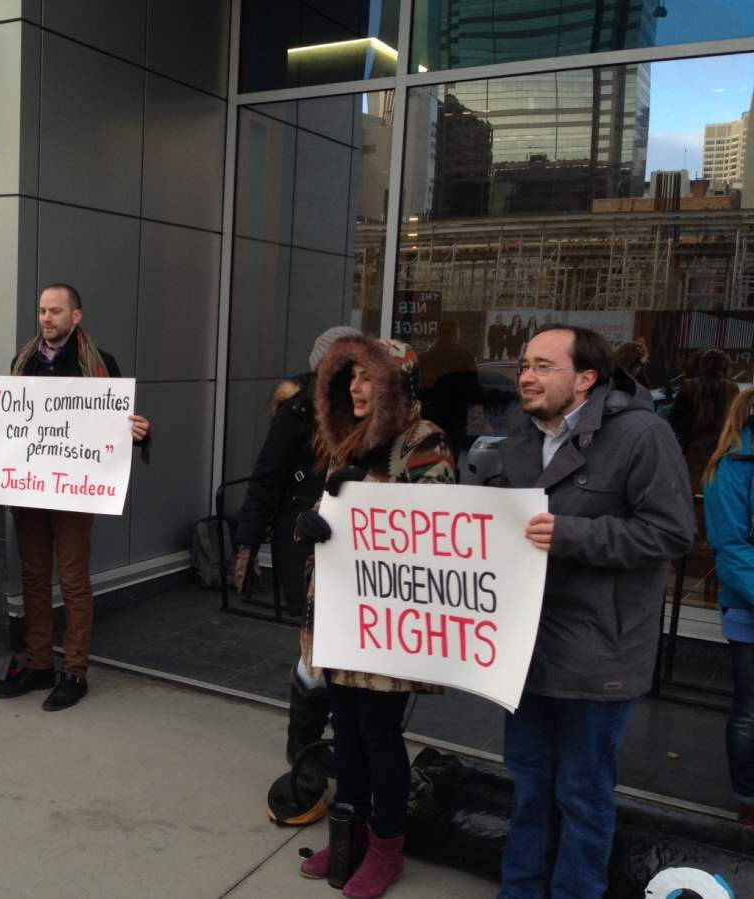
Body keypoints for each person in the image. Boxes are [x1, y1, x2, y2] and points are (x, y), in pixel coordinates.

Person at [493, 325, 694, 899]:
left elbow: (672, 532)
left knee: (582, 796)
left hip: (599, 650)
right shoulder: (521, 434)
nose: (526, 377)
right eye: (524, 365)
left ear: (585, 379)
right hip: (524, 647)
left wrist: (573, 535)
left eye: (542, 366)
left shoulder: (642, 436)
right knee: (530, 786)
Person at [293, 336, 455, 898]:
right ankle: (350, 835)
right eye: (350, 378)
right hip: (342, 611)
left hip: (386, 620)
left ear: (397, 384)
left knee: (379, 736)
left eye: (368, 378)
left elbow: (434, 515)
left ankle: (387, 847)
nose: (356, 389)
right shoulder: (348, 440)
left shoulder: (423, 437)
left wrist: (364, 488)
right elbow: (330, 509)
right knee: (348, 731)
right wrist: (310, 521)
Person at [0, 283, 150, 711]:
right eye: (42, 311)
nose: (47, 318)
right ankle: (38, 666)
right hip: (30, 489)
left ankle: (74, 671)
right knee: (33, 577)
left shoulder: (97, 364)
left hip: (74, 492)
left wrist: (140, 433)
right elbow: (15, 423)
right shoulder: (24, 361)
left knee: (72, 580)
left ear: (76, 317)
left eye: (56, 311)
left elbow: (114, 426)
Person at [233, 325, 359, 827]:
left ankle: (333, 750)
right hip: (302, 544)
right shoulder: (300, 411)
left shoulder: (377, 414)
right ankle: (304, 756)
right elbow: (268, 476)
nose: (348, 378)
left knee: (344, 652)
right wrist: (248, 543)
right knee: (314, 650)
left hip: (358, 548)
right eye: (338, 366)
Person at [702, 388, 754, 828]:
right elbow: (730, 546)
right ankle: (749, 805)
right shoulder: (734, 465)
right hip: (749, 612)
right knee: (750, 713)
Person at [669, 348, 740, 491]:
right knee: (714, 489)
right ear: (725, 366)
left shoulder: (688, 386)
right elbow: (736, 420)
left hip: (691, 448)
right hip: (721, 450)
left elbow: (675, 419)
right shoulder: (732, 388)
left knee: (689, 490)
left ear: (702, 365)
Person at [419, 319, 481, 462]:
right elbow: (474, 389)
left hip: (430, 416)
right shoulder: (464, 355)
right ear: (456, 334)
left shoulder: (426, 357)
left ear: (438, 334)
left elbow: (419, 389)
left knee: (428, 459)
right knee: (451, 458)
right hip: (455, 417)